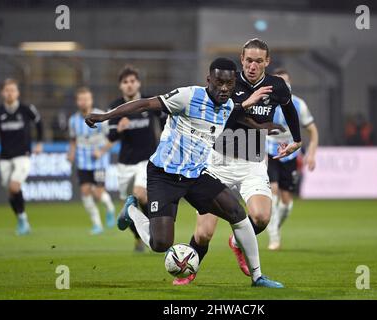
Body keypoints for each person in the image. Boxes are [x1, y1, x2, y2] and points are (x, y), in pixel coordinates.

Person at [85, 57, 290, 288]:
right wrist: (104, 117)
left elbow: (238, 114)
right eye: (219, 83)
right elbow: (144, 104)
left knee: (237, 214)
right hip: (164, 175)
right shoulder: (188, 96)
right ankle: (132, 210)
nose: (224, 89)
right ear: (209, 80)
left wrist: (263, 127)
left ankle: (258, 277)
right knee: (160, 244)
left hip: (196, 176)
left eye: (229, 84)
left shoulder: (228, 104)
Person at [179, 38, 302, 285]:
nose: (252, 66)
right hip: (217, 164)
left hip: (252, 164)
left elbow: (289, 108)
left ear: (267, 62)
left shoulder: (277, 86)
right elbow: (218, 117)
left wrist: (297, 140)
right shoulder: (227, 81)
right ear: (241, 59)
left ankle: (237, 242)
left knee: (261, 217)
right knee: (203, 233)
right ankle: (189, 270)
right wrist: (247, 101)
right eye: (248, 60)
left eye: (258, 61)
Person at [105, 66, 163, 251]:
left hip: (146, 161)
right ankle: (139, 237)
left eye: (132, 81)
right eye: (125, 82)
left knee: (140, 195)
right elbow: (111, 136)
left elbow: (165, 120)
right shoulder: (115, 107)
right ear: (120, 86)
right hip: (125, 165)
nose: (129, 85)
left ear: (138, 83)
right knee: (130, 207)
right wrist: (119, 129)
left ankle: (154, 234)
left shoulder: (148, 102)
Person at [266, 68, 319, 250]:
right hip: (269, 149)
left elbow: (313, 131)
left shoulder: (299, 104)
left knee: (287, 203)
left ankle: (275, 227)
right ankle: (274, 237)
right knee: (272, 192)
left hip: (290, 152)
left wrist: (311, 154)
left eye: (286, 82)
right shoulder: (266, 102)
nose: (283, 85)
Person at [0, 78, 43, 235]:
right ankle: (22, 219)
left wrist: (39, 143)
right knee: (11, 192)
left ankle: (22, 221)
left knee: (14, 186)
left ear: (17, 93)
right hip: (5, 156)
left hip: (23, 155)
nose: (10, 93)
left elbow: (39, 123)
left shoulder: (26, 109)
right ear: (2, 93)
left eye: (12, 90)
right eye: (7, 90)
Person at [67, 87, 116, 235]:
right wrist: (71, 153)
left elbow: (112, 138)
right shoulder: (73, 120)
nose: (84, 102)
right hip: (83, 162)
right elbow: (74, 140)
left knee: (98, 193)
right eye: (81, 99)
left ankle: (110, 209)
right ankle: (97, 225)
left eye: (86, 99)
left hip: (99, 162)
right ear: (77, 101)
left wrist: (101, 151)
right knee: (85, 191)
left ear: (91, 100)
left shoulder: (101, 116)